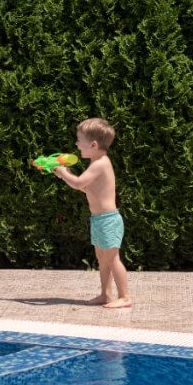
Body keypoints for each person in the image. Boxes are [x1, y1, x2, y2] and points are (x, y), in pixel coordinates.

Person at [54, 117, 131, 308]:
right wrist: (66, 176)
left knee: (112, 259)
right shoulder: (96, 163)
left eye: (79, 140)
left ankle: (125, 297)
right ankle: (106, 294)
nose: (77, 144)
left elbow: (79, 183)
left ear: (93, 144)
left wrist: (64, 173)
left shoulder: (100, 164)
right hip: (99, 220)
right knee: (102, 259)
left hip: (108, 220)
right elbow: (85, 188)